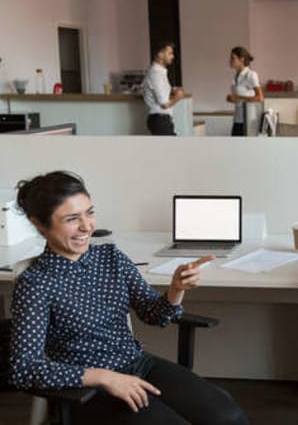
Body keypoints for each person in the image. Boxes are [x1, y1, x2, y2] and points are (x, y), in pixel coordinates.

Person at [10, 171, 248, 425]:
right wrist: (103, 377)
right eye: (71, 219)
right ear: (39, 223)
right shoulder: (35, 283)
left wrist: (175, 289)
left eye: (89, 213)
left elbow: (154, 315)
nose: (86, 226)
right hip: (87, 389)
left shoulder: (111, 258)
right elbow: (25, 369)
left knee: (228, 417)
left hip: (138, 364)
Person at [143, 42, 185, 136]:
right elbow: (164, 104)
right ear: (160, 54)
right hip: (160, 120)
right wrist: (178, 97)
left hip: (162, 120)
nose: (172, 56)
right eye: (170, 53)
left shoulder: (160, 72)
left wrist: (172, 89)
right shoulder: (156, 73)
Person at [226, 46, 264, 136]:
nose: (230, 60)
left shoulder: (251, 75)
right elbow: (240, 98)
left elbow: (260, 98)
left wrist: (238, 97)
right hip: (237, 119)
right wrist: (232, 99)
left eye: (233, 58)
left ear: (241, 59)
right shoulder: (237, 76)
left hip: (248, 121)